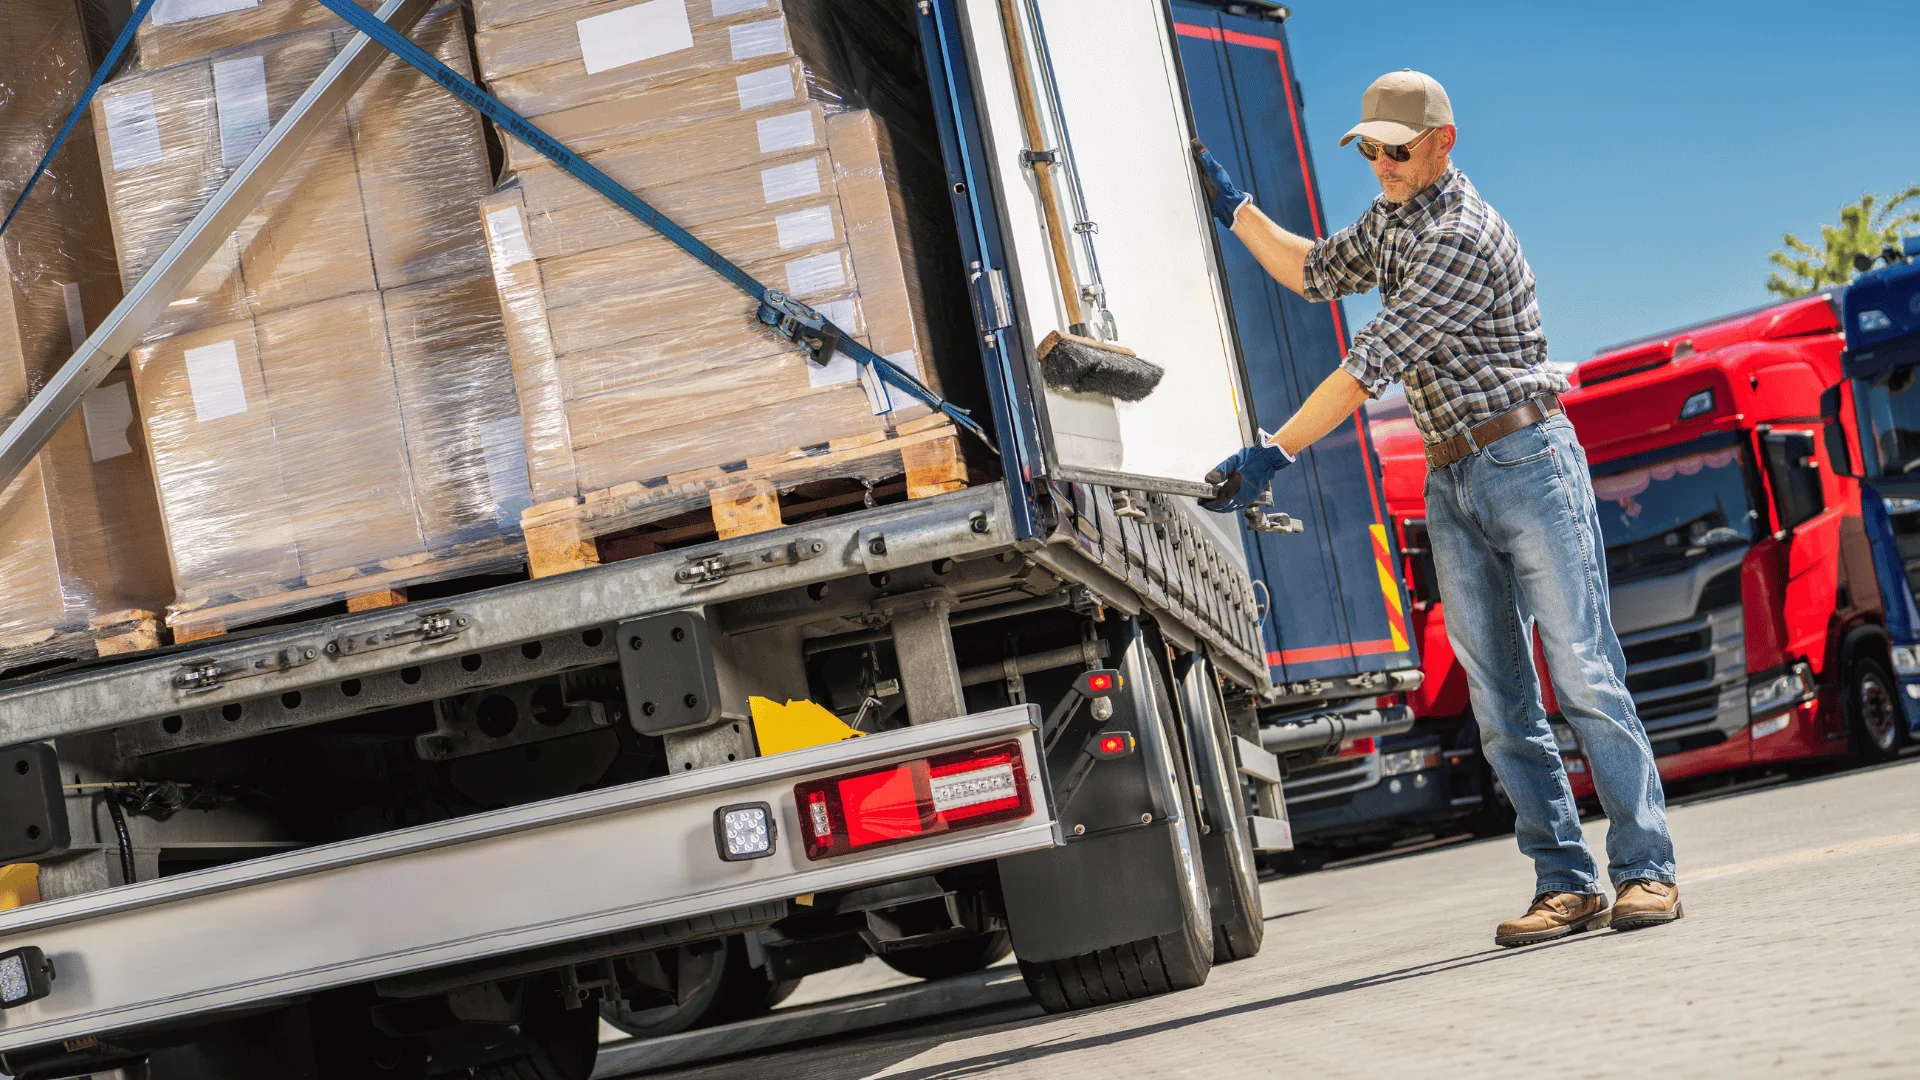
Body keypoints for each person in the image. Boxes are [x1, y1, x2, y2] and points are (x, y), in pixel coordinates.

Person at [1194, 69, 1680, 945]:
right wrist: (1233, 207)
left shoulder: (1460, 235)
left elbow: (1366, 361)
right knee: (1499, 699)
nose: (1378, 161)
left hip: (1526, 460)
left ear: (1442, 142)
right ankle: (1564, 882)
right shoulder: (1392, 220)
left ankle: (1647, 872)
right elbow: (1312, 272)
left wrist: (1275, 450)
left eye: (1395, 147)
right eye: (1369, 147)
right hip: (1453, 478)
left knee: (1582, 672)